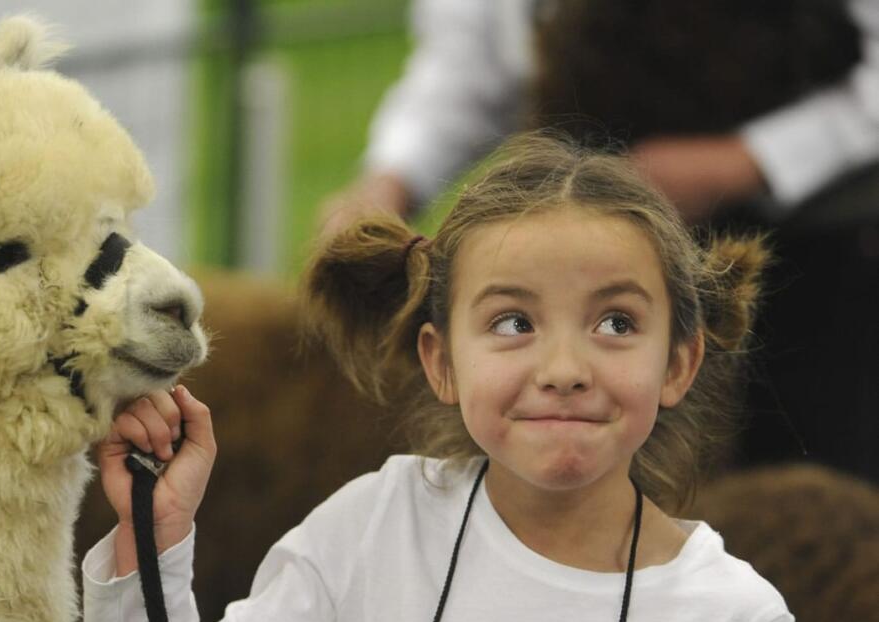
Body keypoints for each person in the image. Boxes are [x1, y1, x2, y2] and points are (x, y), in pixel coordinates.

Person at [83, 133, 796, 622]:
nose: (564, 367)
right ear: (441, 360)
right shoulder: (377, 528)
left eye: (616, 322)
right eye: (513, 322)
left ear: (678, 362)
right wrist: (155, 543)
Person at [320, 0, 879, 483]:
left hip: (816, 256)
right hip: (578, 213)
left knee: (807, 499)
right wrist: (393, 177)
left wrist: (745, 160)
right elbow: (471, 63)